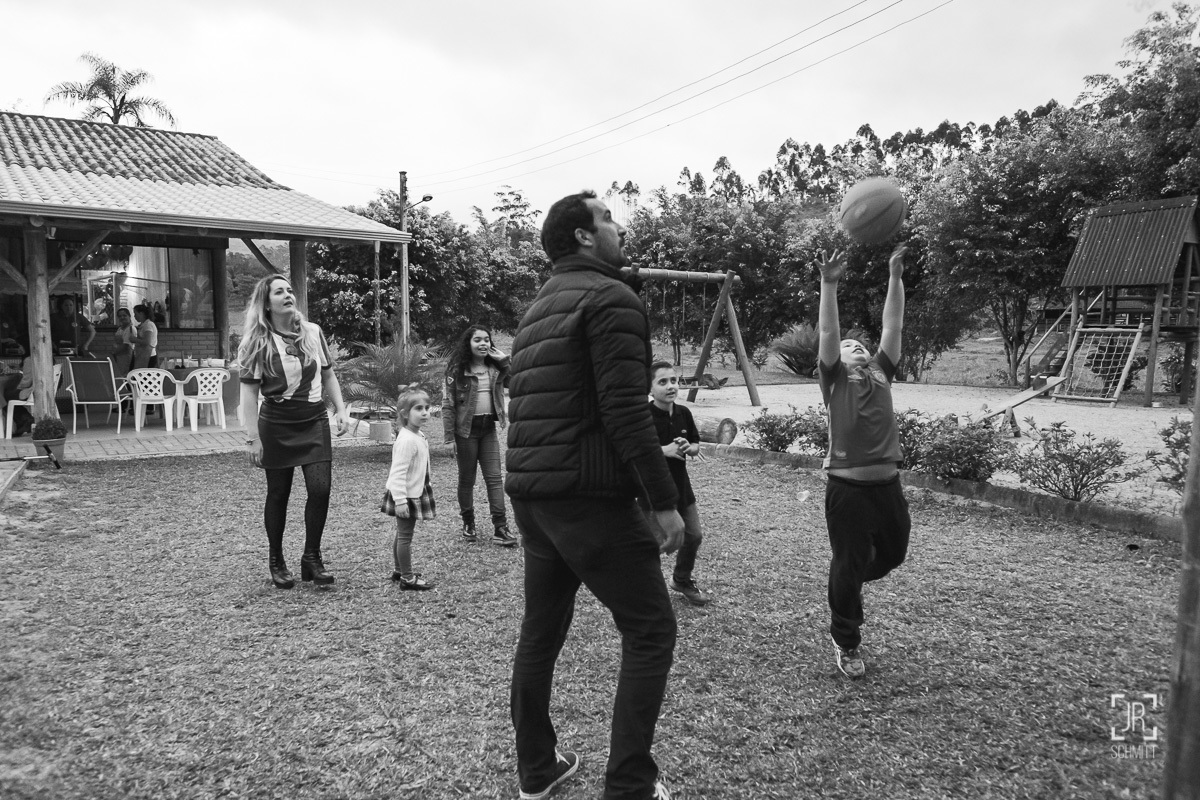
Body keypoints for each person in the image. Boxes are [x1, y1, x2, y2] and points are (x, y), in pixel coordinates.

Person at [505, 190, 683, 800]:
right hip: (586, 495)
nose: (618, 226)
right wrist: (663, 501)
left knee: (542, 629)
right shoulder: (611, 298)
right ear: (583, 235)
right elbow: (626, 411)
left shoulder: (539, 307)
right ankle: (630, 786)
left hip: (533, 496)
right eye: (607, 217)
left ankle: (537, 769)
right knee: (651, 630)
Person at [815, 244, 911, 679]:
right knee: (849, 563)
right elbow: (828, 332)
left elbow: (893, 324)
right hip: (848, 490)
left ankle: (846, 578)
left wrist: (895, 277)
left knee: (893, 555)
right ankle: (846, 638)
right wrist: (829, 283)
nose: (855, 345)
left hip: (887, 486)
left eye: (860, 344)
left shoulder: (880, 371)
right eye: (848, 345)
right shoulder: (834, 378)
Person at [238, 275, 351, 589]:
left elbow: (328, 374)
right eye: (279, 292)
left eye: (289, 290)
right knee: (278, 494)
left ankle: (312, 557)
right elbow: (248, 393)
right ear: (266, 303)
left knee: (320, 490)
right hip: (275, 424)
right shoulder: (256, 342)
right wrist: (252, 438)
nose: (288, 294)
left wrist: (340, 409)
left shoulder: (312, 331)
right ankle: (276, 560)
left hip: (313, 420)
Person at [442, 324, 518, 547]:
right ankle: (469, 523)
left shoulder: (495, 368)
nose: (483, 343)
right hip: (465, 432)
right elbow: (448, 404)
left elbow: (516, 383)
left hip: (488, 430)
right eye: (477, 340)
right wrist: (448, 438)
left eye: (486, 339)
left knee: (494, 478)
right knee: (467, 480)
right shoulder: (457, 370)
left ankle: (500, 527)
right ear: (469, 344)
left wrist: (505, 361)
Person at [643, 361, 710, 607]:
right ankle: (646, 590)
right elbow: (635, 450)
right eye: (662, 382)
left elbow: (695, 444)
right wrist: (664, 450)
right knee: (655, 543)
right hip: (653, 492)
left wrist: (689, 448)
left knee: (694, 536)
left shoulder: (684, 413)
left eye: (674, 380)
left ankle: (681, 579)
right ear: (650, 388)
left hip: (681, 487)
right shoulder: (643, 417)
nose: (670, 386)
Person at [384, 384, 437, 591]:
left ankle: (399, 570)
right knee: (405, 536)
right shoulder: (407, 440)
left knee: (402, 533)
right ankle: (407, 578)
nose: (425, 413)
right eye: (419, 409)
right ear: (405, 414)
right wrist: (400, 501)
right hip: (406, 495)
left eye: (427, 408)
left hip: (415, 490)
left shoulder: (417, 434)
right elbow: (397, 473)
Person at [110, 308, 136, 378]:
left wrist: (114, 353)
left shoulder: (130, 329)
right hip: (118, 356)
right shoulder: (120, 329)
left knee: (123, 376)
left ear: (129, 316)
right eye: (120, 316)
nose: (122, 318)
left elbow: (126, 346)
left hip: (125, 356)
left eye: (124, 315)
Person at [131, 304, 158, 370]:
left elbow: (147, 342)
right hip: (142, 354)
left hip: (148, 356)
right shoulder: (143, 325)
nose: (134, 316)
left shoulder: (148, 325)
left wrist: (135, 340)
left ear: (141, 313)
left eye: (135, 314)